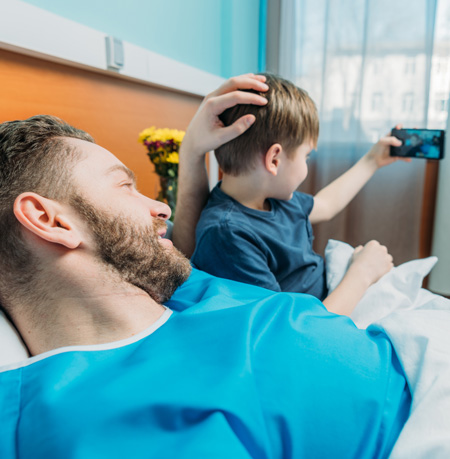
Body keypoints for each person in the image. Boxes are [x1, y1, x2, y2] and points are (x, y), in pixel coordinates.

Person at [0, 75, 411, 458]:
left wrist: (193, 151)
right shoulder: (116, 424)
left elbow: (184, 240)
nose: (161, 207)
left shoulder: (170, 282)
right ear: (49, 220)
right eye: (125, 186)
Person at [189, 73, 409, 316]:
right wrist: (363, 272)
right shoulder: (228, 234)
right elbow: (289, 331)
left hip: (330, 299)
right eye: (306, 156)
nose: (307, 165)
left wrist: (373, 160)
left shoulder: (276, 200)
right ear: (274, 159)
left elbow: (327, 204)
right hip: (319, 318)